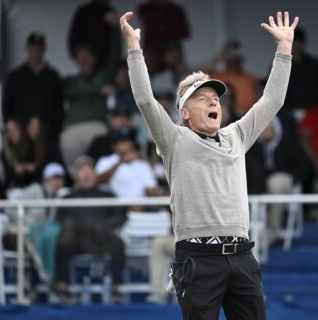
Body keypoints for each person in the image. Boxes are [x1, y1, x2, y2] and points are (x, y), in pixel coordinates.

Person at [121, 10, 297, 319]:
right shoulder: (174, 139)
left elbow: (273, 101)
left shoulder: (237, 135)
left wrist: (284, 50)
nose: (213, 101)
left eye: (215, 97)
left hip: (242, 255)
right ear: (184, 113)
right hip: (197, 258)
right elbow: (147, 101)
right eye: (202, 98)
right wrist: (135, 48)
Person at [54, 155, 126, 301]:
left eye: (89, 170)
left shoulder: (108, 195)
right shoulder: (67, 198)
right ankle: (62, 286)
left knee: (118, 244)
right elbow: (59, 220)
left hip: (101, 239)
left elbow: (121, 216)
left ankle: (115, 288)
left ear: (95, 174)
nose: (86, 174)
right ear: (76, 176)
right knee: (62, 243)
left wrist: (106, 225)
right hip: (77, 241)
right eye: (82, 170)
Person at [61, 19, 120, 170]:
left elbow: (114, 55)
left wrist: (115, 28)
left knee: (98, 167)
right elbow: (69, 91)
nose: (84, 59)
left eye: (87, 56)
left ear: (94, 58)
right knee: (73, 170)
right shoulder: (71, 81)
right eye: (80, 57)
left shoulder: (103, 76)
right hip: (72, 129)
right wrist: (97, 89)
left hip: (96, 127)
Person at [246, 117, 305, 242]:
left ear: (276, 128)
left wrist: (294, 178)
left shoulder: (288, 143)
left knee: (275, 182)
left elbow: (304, 167)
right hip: (261, 185)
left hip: (286, 184)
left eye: (268, 128)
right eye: (262, 128)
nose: (265, 131)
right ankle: (253, 230)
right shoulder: (253, 148)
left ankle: (274, 229)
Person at [2, 32, 64, 143]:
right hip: (20, 132)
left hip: (47, 134)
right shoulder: (15, 76)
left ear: (43, 50)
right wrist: (10, 124)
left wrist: (51, 129)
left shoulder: (53, 77)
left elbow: (59, 107)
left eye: (38, 48)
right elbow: (7, 105)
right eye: (32, 48)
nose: (35, 52)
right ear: (27, 49)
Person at [95, 127, 158, 203]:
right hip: (113, 207)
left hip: (140, 207)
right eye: (120, 142)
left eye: (126, 141)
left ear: (132, 144)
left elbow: (151, 192)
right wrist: (120, 162)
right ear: (113, 145)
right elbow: (97, 181)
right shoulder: (105, 161)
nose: (124, 145)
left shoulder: (142, 165)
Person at [204, 40, 260, 116]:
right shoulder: (216, 76)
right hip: (225, 118)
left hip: (249, 117)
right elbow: (195, 74)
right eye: (231, 54)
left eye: (237, 54)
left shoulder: (252, 79)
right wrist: (217, 58)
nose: (234, 58)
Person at [136, 0, 190, 72]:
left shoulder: (176, 10)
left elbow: (185, 33)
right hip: (152, 51)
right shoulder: (145, 9)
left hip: (170, 46)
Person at [67, 0, 121, 69]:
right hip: (104, 64)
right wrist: (82, 53)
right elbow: (73, 40)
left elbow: (115, 47)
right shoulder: (84, 12)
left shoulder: (109, 12)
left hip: (106, 64)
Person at [283, 28, 318, 111]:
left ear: (304, 43)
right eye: (295, 42)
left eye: (300, 42)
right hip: (288, 111)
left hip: (311, 110)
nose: (297, 45)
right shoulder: (282, 64)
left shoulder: (313, 64)